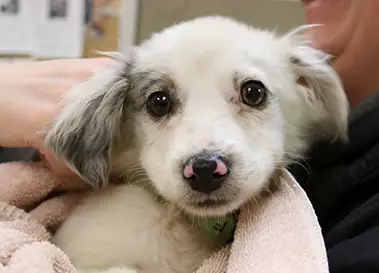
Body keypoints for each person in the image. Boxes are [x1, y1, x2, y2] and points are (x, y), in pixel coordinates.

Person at [0, 0, 378, 271]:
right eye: (160, 103)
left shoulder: (306, 212)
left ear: (309, 87)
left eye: (252, 94)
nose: (206, 161)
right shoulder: (112, 217)